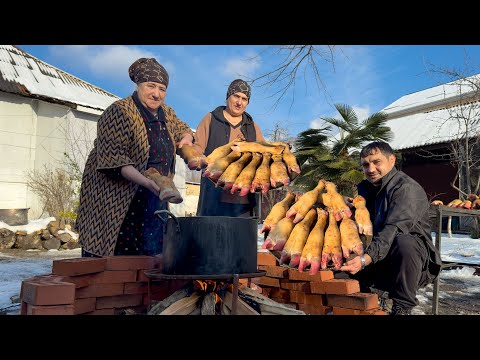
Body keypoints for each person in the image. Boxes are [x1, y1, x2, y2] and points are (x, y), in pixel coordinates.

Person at [76, 57, 194, 257]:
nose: (156, 94)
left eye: (162, 89)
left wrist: (187, 138)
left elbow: (182, 129)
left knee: (151, 256)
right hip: (117, 199)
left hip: (156, 194)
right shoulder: (120, 111)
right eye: (151, 86)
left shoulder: (167, 113)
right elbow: (115, 160)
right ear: (139, 85)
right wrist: (147, 183)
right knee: (115, 259)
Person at [339, 141, 442, 315]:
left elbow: (393, 229)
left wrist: (365, 259)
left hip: (408, 264)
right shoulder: (366, 189)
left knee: (404, 242)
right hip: (378, 256)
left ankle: (402, 307)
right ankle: (362, 300)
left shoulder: (406, 188)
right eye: (365, 164)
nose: (371, 169)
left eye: (376, 162)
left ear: (392, 160)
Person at [193, 79, 265, 218]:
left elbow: (263, 155)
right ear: (228, 97)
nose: (239, 102)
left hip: (243, 201)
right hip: (213, 197)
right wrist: (198, 159)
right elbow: (197, 148)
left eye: (244, 99)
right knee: (212, 237)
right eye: (236, 96)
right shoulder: (210, 119)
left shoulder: (252, 127)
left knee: (239, 238)